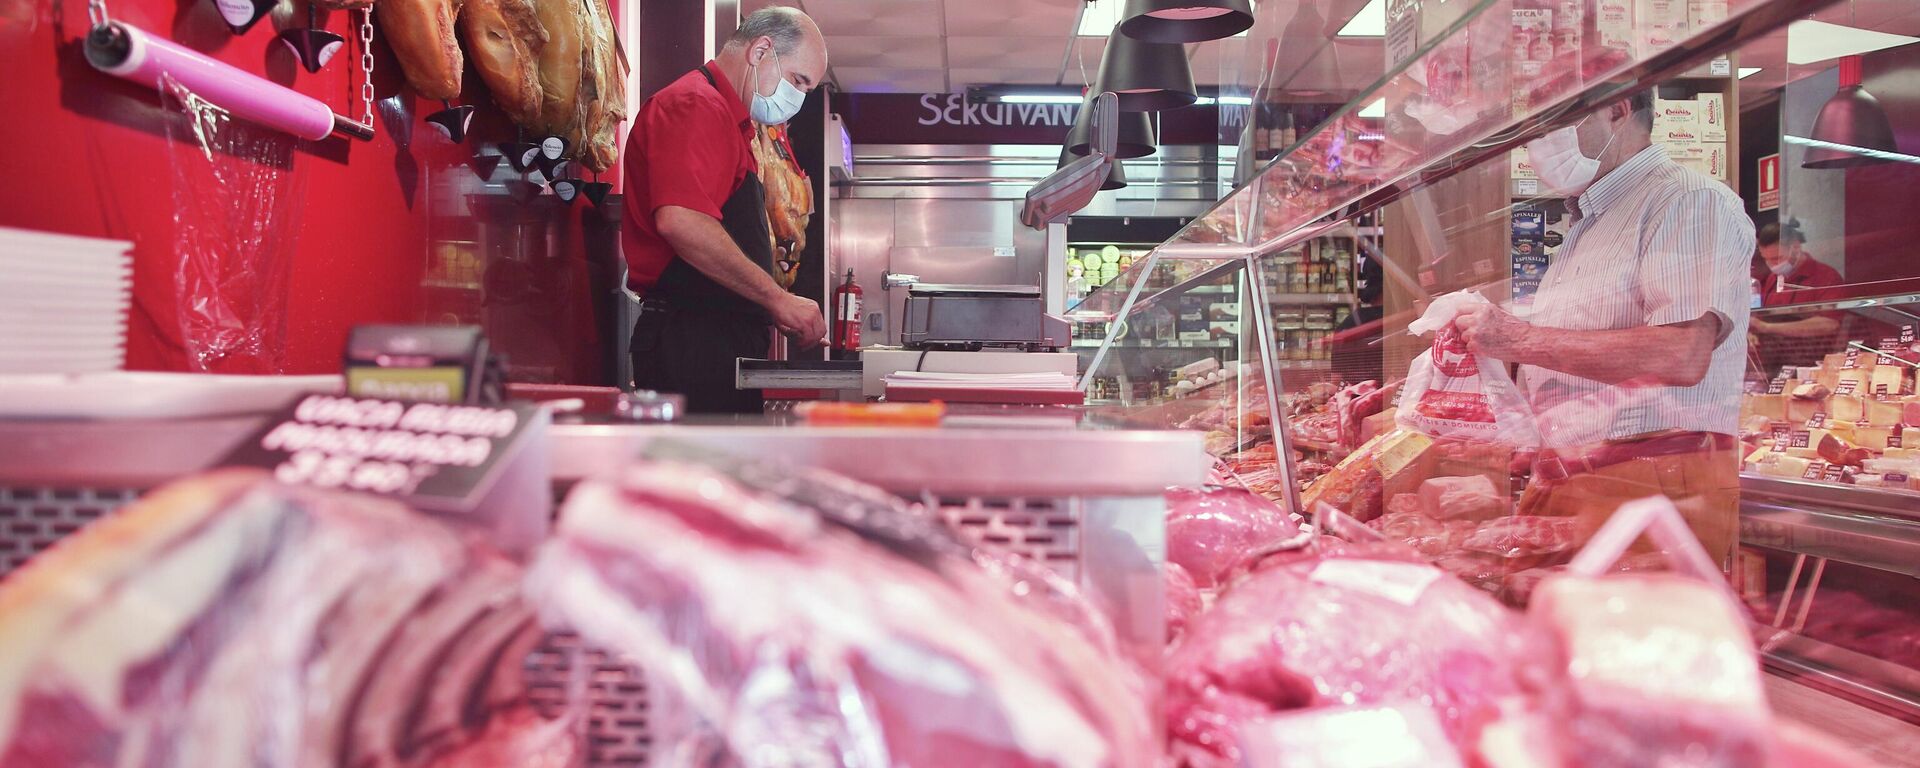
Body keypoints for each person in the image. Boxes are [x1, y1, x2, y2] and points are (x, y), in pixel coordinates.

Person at [1450, 91, 1755, 570]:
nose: (1539, 141)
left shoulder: (1688, 201)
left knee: (1625, 640)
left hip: (1650, 484)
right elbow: (1579, 363)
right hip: (1579, 477)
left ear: (1619, 107)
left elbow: (1682, 353)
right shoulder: (1592, 220)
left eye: (1557, 119)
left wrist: (1518, 340)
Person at [621, 7, 830, 414]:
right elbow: (682, 221)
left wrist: (767, 305)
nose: (798, 99)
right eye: (798, 82)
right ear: (761, 51)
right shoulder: (695, 105)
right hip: (693, 343)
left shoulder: (734, 122)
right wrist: (777, 298)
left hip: (716, 341)